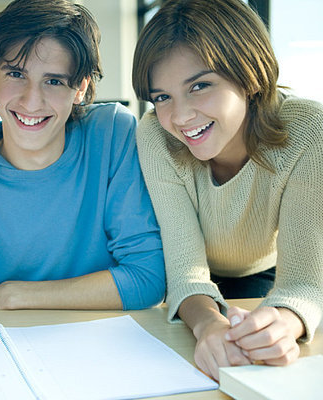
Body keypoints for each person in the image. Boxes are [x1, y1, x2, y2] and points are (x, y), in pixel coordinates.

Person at [132, 0, 323, 381]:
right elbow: (186, 270)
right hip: (189, 289)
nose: (180, 117)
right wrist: (208, 326)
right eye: (161, 97)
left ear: (250, 76)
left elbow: (303, 281)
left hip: (265, 275)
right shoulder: (155, 135)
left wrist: (284, 324)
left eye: (200, 86)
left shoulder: (308, 130)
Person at [0, 0, 165, 312]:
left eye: (54, 81)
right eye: (16, 74)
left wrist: (15, 296)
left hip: (111, 343)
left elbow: (148, 278)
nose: (32, 102)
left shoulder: (112, 133)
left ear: (81, 87)